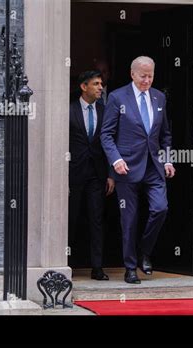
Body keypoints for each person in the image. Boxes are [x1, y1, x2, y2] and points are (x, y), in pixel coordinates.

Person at [101, 56, 176, 284]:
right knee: (129, 219)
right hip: (127, 167)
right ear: (132, 74)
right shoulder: (117, 97)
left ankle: (145, 250)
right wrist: (116, 161)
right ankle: (130, 267)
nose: (147, 80)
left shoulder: (159, 97)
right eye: (143, 76)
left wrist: (168, 160)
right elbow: (106, 134)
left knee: (160, 208)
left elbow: (165, 135)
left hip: (154, 166)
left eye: (150, 75)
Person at [69, 70, 115, 281]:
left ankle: (97, 268)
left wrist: (111, 175)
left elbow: (111, 143)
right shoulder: (69, 109)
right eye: (96, 84)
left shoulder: (105, 111)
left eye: (101, 84)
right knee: (71, 218)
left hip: (97, 174)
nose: (100, 87)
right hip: (73, 174)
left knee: (97, 220)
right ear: (83, 86)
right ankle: (65, 265)